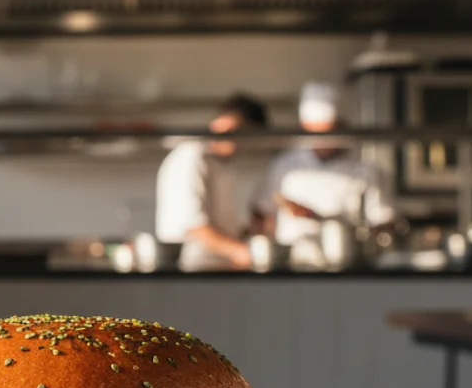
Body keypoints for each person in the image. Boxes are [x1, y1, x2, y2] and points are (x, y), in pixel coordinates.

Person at [250, 82, 395, 267]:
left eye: (328, 132)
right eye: (314, 132)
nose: (321, 141)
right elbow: (262, 211)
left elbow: (384, 221)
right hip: (293, 265)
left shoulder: (365, 169)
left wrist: (351, 231)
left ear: (341, 127)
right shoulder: (285, 166)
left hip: (348, 264)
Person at [156, 93, 268, 271]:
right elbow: (194, 226)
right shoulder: (191, 156)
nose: (244, 146)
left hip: (220, 268)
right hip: (193, 268)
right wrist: (240, 251)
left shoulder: (225, 165)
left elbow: (226, 223)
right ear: (229, 125)